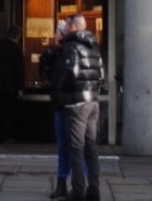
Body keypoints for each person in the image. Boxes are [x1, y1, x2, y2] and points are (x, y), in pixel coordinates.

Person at [55, 14, 104, 201]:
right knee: (91, 147)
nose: (65, 28)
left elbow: (70, 73)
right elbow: (101, 74)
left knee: (76, 148)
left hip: (76, 104)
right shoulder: (94, 46)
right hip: (93, 102)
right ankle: (94, 190)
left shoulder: (70, 46)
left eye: (67, 25)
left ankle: (77, 192)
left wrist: (61, 90)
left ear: (74, 27)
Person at [43, 20, 72, 199]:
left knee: (76, 146)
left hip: (70, 105)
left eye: (56, 33)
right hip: (60, 104)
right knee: (62, 146)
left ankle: (78, 182)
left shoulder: (69, 53)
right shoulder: (58, 54)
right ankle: (62, 183)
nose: (54, 36)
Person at [0, 25, 24, 144]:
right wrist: (20, 87)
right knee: (10, 112)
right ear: (18, 35)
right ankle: (9, 135)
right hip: (10, 85)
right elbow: (18, 69)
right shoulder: (15, 49)